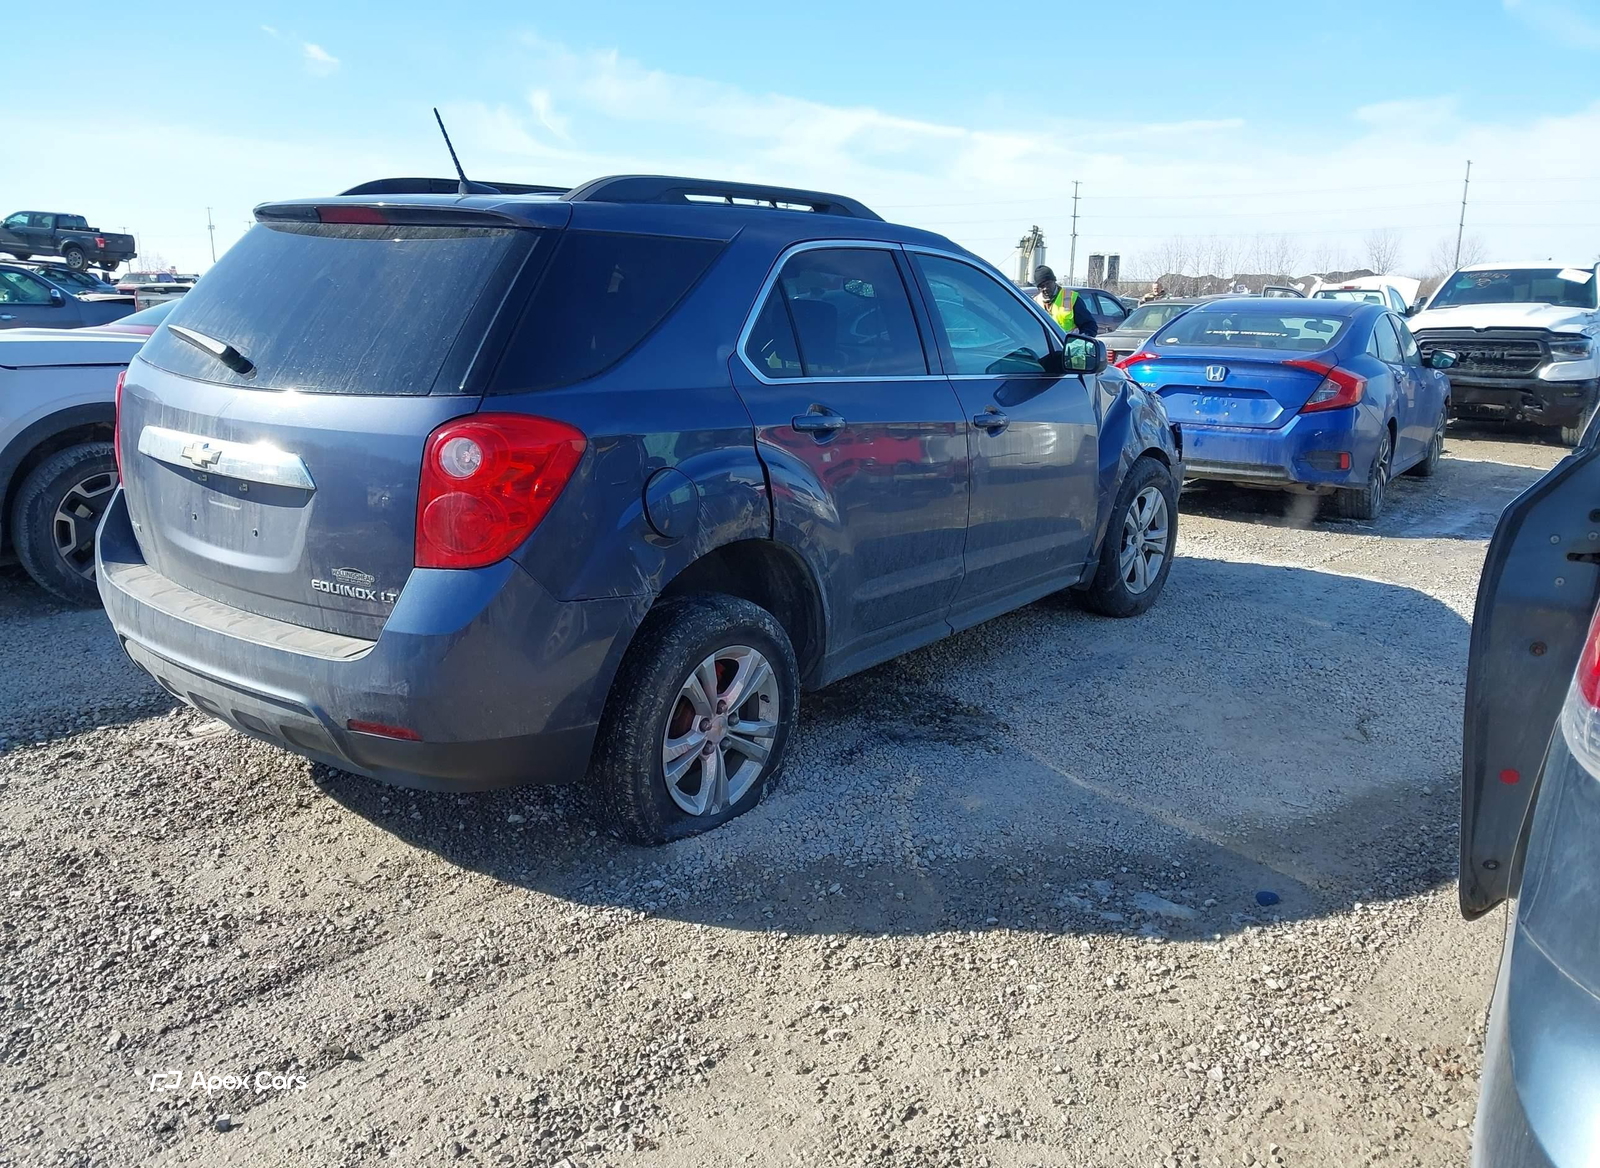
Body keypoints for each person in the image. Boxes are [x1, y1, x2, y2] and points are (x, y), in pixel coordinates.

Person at [1032, 266, 1098, 337]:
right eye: (1041, 286)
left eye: (1048, 283)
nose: (1045, 288)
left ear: (1054, 281)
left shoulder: (1069, 297)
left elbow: (1089, 326)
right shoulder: (1035, 302)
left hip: (1069, 343)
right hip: (1044, 343)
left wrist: (1080, 341)